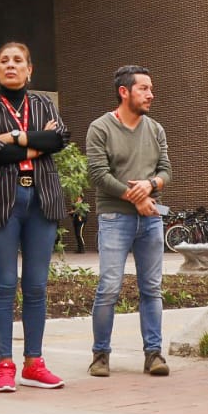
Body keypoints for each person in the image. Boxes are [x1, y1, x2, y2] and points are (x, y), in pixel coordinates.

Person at [0, 42, 70, 391]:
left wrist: (14, 137)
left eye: (18, 61)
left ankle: (34, 362)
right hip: (1, 202)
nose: (11, 66)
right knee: (5, 283)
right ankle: (5, 363)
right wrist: (38, 142)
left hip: (42, 199)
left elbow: (61, 139)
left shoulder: (43, 103)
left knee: (37, 285)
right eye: (4, 61)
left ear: (30, 69)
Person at [86, 65, 173, 378]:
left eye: (150, 88)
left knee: (152, 288)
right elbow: (98, 175)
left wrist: (151, 186)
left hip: (151, 219)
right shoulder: (100, 128)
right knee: (109, 288)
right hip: (114, 218)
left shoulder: (156, 129)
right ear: (124, 92)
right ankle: (100, 355)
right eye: (144, 89)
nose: (151, 94)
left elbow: (166, 171)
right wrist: (136, 196)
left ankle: (154, 355)